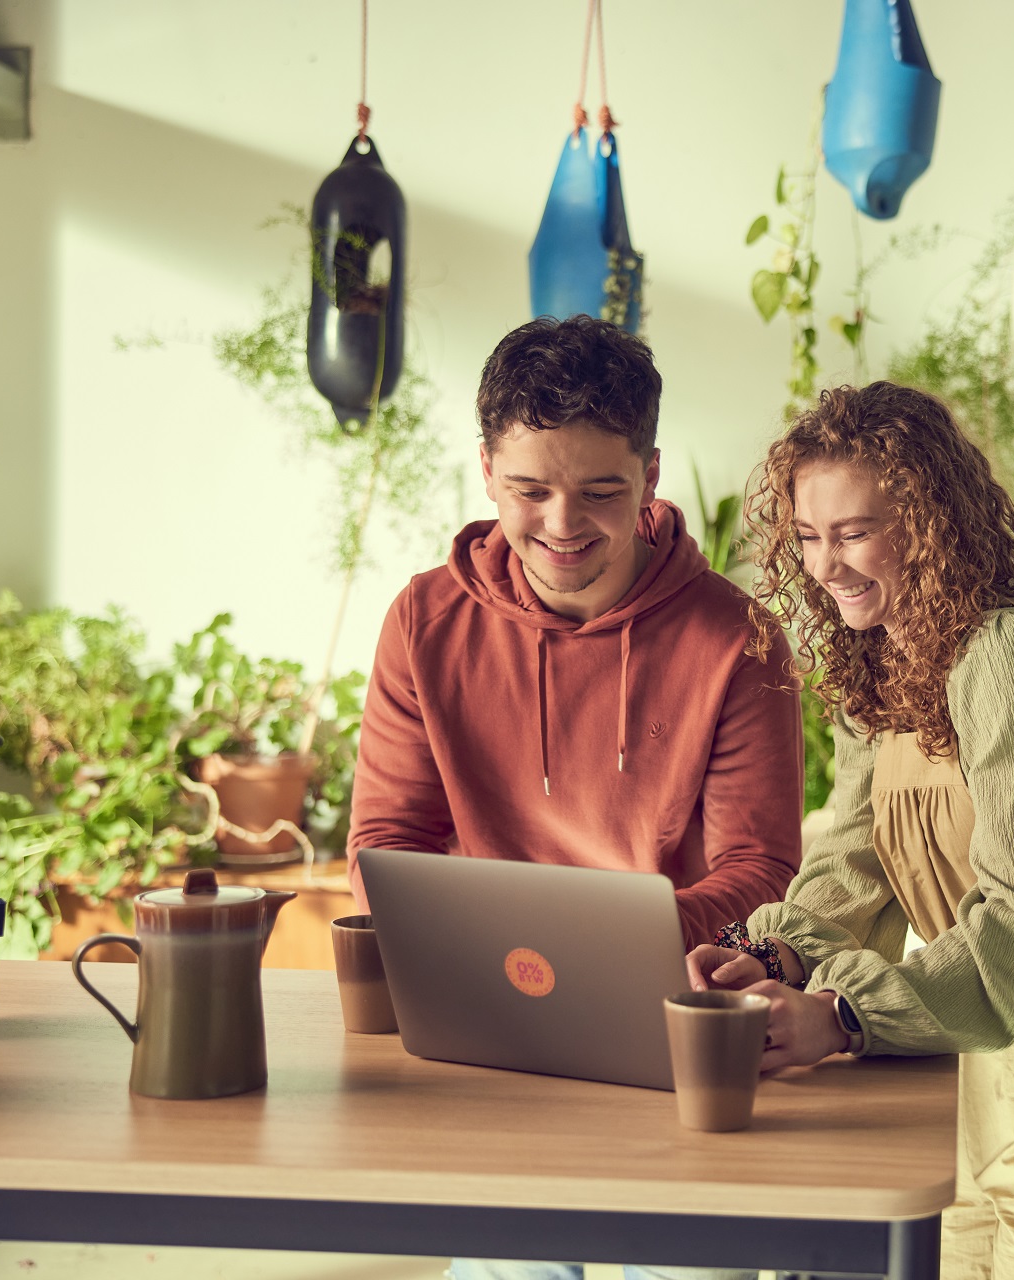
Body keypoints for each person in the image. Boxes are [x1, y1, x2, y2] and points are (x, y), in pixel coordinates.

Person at [686, 382, 1014, 1280]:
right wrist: (771, 956)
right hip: (961, 1052)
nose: (825, 565)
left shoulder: (1008, 654)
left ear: (928, 522)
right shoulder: (889, 664)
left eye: (852, 532)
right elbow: (851, 856)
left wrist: (842, 1015)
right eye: (807, 536)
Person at [346, 315, 804, 1280]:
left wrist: (611, 948)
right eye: (529, 490)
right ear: (485, 470)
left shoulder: (739, 638)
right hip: (487, 1036)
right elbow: (389, 839)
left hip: (675, 1034)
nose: (562, 526)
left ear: (650, 474)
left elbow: (759, 868)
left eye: (602, 491)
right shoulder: (424, 621)